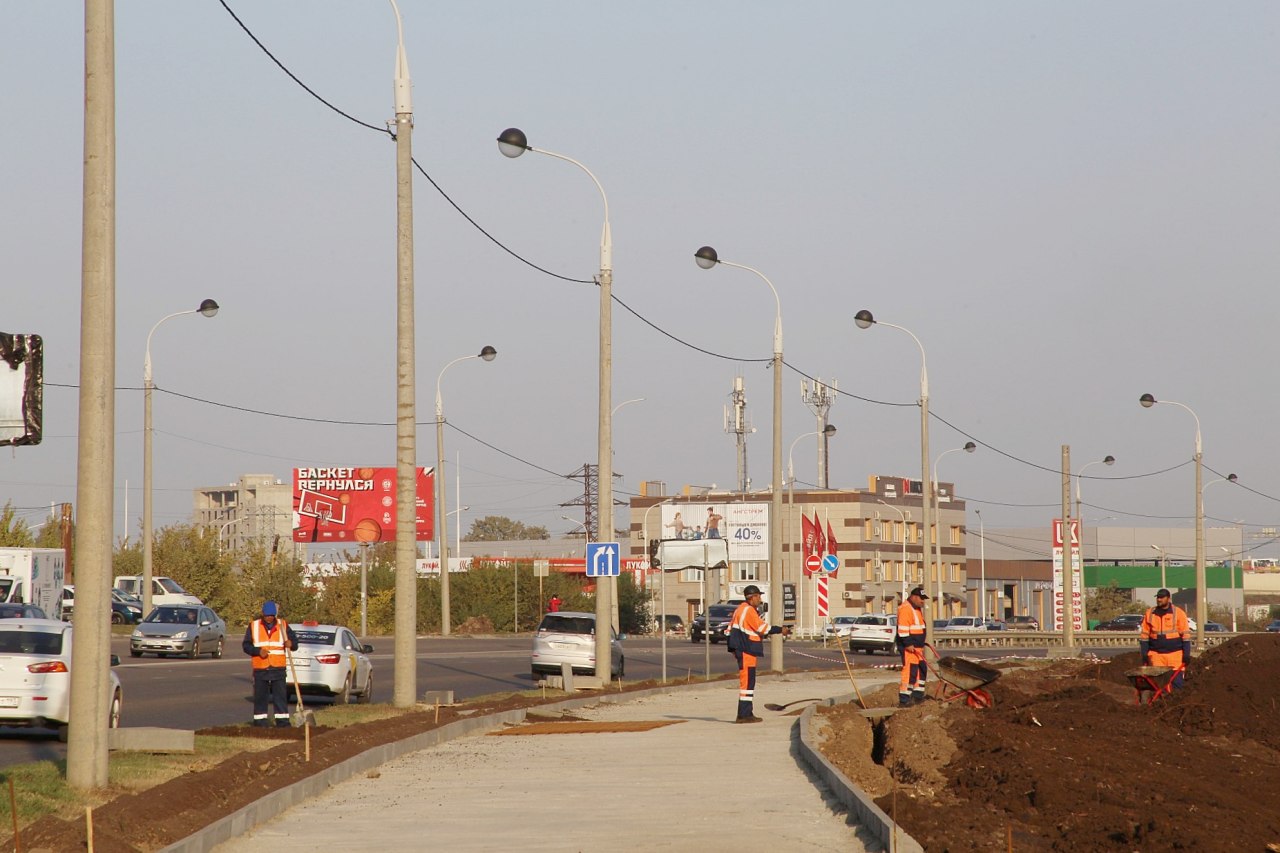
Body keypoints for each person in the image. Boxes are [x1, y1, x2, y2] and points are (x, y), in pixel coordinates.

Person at [727, 585, 791, 723]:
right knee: (747, 683)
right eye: (758, 596)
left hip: (743, 649)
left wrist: (733, 649)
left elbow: (729, 630)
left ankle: (746, 713)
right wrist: (781, 630)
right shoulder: (748, 610)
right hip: (746, 649)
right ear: (752, 597)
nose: (760, 599)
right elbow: (763, 628)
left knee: (748, 683)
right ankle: (744, 715)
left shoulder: (740, 609)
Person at [242, 600, 298, 727]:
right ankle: (260, 722)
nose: (269, 618)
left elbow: (294, 642)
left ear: (275, 615)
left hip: (278, 667)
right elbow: (246, 646)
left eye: (271, 616)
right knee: (261, 697)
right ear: (263, 614)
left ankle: (282, 722)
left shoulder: (283, 626)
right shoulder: (254, 626)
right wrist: (257, 651)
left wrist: (291, 644)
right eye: (267, 615)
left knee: (280, 697)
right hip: (261, 667)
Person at [1140, 588, 1191, 689]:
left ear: (1168, 599)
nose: (1159, 599)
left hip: (1175, 655)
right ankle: (1161, 703)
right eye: (1158, 597)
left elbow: (1185, 636)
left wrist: (1186, 654)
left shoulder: (1178, 613)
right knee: (1158, 685)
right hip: (1156, 655)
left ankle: (1176, 701)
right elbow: (1144, 637)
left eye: (1162, 597)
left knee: (1177, 683)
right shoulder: (1150, 613)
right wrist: (1144, 654)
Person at [896, 586, 930, 706]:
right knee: (910, 673)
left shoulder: (916, 608)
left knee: (921, 671)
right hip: (910, 648)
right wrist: (908, 644)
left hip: (917, 647)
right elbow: (903, 629)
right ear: (914, 597)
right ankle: (904, 700)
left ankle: (917, 697)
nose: (923, 601)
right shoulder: (906, 609)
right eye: (921, 599)